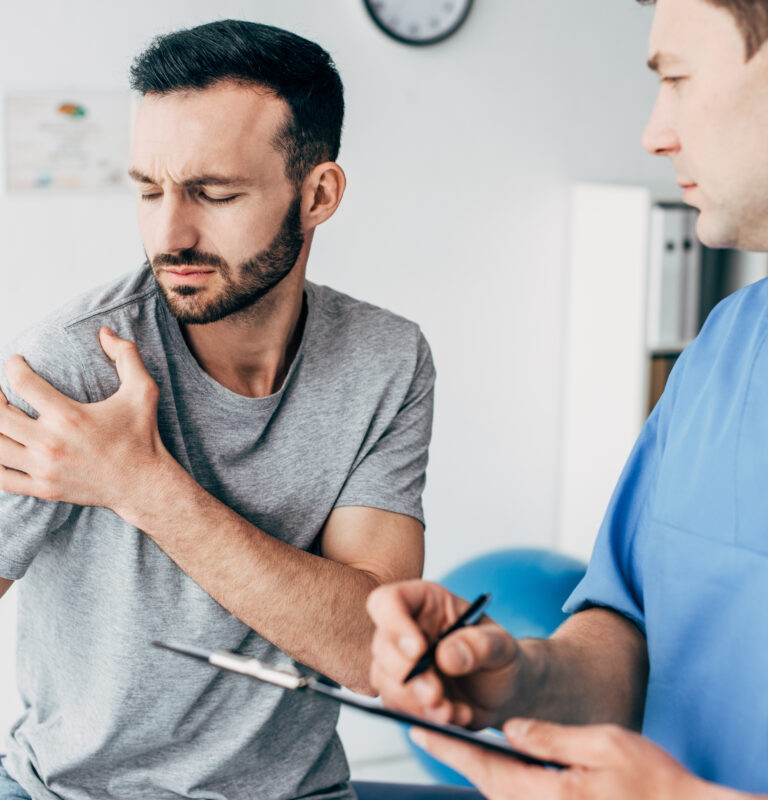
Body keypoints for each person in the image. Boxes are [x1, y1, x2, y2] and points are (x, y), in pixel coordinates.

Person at [0, 19, 433, 800]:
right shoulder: (70, 366)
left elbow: (375, 651)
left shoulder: (385, 360)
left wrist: (143, 486)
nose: (169, 233)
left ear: (319, 194)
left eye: (214, 192)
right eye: (148, 189)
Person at [366, 0, 768, 797]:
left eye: (679, 80)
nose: (656, 133)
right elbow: (633, 638)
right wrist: (522, 679)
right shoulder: (727, 348)